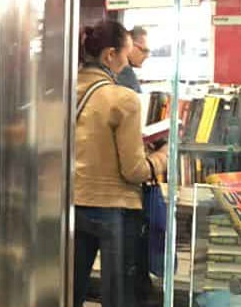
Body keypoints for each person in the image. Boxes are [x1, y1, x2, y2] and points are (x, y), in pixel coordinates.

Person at [72, 19, 168, 307]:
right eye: (126, 55)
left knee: (71, 290)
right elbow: (134, 171)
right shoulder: (123, 99)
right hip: (115, 210)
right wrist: (163, 157)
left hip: (73, 204)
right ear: (110, 55)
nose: (127, 64)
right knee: (119, 296)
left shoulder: (63, 92)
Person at [116, 26, 149, 93]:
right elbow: (136, 98)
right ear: (130, 45)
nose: (147, 56)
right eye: (145, 50)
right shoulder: (124, 69)